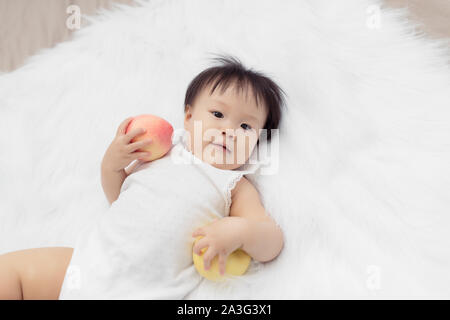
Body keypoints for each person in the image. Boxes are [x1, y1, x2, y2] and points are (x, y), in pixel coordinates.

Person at [0, 55, 285, 299]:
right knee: (9, 274)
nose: (228, 130)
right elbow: (119, 196)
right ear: (188, 117)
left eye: (245, 126)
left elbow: (271, 240)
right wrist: (112, 164)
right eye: (217, 113)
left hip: (146, 291)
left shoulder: (234, 185)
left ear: (258, 141)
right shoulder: (162, 151)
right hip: (88, 264)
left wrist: (240, 232)